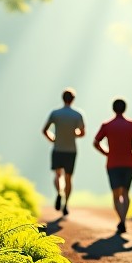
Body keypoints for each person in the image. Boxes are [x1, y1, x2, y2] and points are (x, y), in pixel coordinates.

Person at [93, 98, 132, 234]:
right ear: (125, 108)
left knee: (116, 195)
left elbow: (96, 142)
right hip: (129, 163)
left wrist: (106, 153)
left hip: (112, 164)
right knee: (126, 193)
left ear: (113, 109)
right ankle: (123, 220)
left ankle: (122, 220)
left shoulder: (107, 125)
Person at [42, 88, 85, 216]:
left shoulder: (55, 113)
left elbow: (44, 130)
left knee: (57, 175)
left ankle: (59, 193)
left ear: (62, 98)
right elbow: (82, 132)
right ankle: (66, 203)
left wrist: (53, 139)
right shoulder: (77, 115)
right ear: (73, 100)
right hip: (71, 150)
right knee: (69, 178)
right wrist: (74, 133)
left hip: (57, 148)